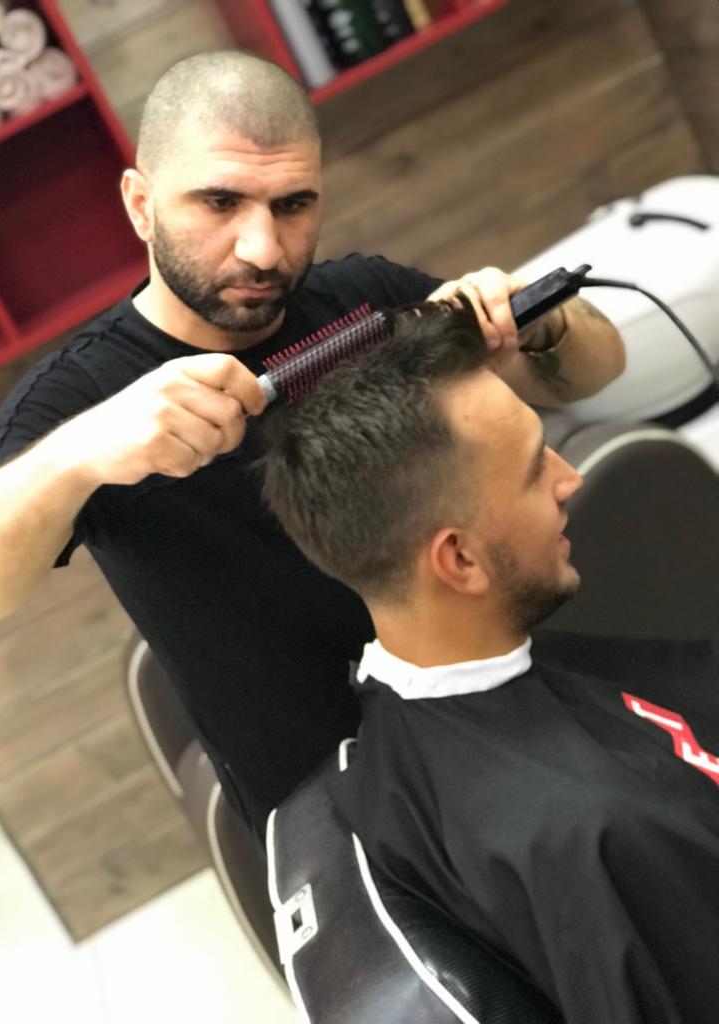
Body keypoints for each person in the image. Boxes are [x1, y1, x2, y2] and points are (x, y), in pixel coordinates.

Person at [0, 51, 625, 837]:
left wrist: (534, 316)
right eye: (220, 202)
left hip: (499, 715)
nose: (263, 250)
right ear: (140, 205)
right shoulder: (83, 395)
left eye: (293, 205)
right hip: (334, 802)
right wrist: (81, 454)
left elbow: (595, 369)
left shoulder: (366, 299)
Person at [259, 298, 719, 1023]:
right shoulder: (591, 834)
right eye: (535, 469)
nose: (569, 479)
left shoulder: (395, 735)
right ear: (461, 560)